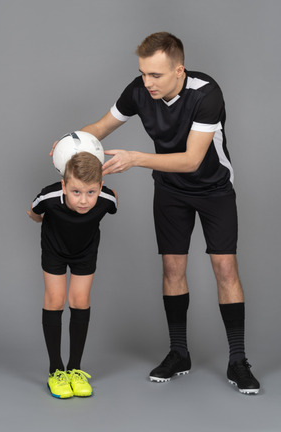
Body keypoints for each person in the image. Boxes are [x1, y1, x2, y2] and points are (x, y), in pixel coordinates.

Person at [52, 32, 260, 394]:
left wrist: (134, 159)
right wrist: (69, 143)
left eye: (156, 75)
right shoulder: (138, 91)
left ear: (179, 70)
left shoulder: (206, 93)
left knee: (225, 267)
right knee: (172, 267)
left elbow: (192, 159)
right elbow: (99, 129)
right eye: (143, 73)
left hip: (214, 189)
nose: (146, 83)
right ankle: (179, 353)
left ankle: (238, 360)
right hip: (170, 192)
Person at [27, 151, 118, 399]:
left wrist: (101, 195)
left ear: (100, 186)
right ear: (64, 185)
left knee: (79, 301)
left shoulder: (106, 198)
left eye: (91, 192)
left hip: (85, 252)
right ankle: (56, 371)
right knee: (55, 301)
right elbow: (34, 211)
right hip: (54, 250)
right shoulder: (50, 196)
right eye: (76, 192)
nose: (84, 200)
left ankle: (74, 369)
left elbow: (113, 202)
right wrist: (38, 220)